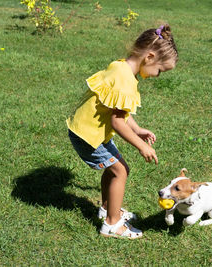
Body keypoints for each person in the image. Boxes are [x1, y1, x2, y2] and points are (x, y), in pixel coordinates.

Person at [66, 25, 178, 239]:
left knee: (116, 169)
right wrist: (141, 145)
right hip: (89, 135)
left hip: (91, 129)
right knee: (120, 171)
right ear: (150, 57)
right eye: (160, 71)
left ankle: (108, 210)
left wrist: (137, 129)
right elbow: (118, 122)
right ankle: (112, 224)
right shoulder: (126, 80)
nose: (158, 76)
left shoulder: (121, 67)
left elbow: (118, 109)